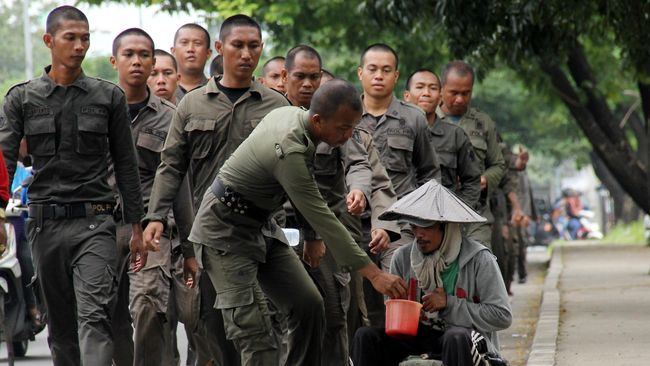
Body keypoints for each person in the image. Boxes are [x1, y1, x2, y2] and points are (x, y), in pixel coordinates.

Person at [188, 79, 408, 365]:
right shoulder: (290, 147)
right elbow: (323, 216)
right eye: (343, 128)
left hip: (260, 226)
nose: (348, 135)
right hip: (223, 232)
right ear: (317, 119)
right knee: (257, 336)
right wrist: (375, 275)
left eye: (353, 126)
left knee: (309, 305)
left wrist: (312, 237)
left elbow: (305, 191)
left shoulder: (293, 115)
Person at [0, 6, 146, 366]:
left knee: (95, 317)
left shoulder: (108, 97)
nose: (79, 46)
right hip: (44, 225)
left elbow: (127, 164)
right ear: (49, 41)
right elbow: (3, 159)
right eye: (71, 38)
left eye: (85, 38)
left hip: (95, 223)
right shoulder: (22, 98)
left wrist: (136, 225)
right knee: (61, 329)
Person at [143, 14, 289, 366]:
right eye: (237, 45)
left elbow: (295, 175)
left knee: (262, 325)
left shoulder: (277, 107)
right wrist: (155, 217)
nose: (245, 54)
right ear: (221, 48)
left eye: (253, 46)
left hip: (262, 233)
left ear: (261, 49)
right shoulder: (192, 105)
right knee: (214, 328)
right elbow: (171, 167)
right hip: (210, 236)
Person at [351, 180, 512, 366]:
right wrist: (404, 311)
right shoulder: (402, 258)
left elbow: (502, 316)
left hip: (466, 338)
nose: (419, 234)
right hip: (418, 337)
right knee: (366, 336)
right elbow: (392, 312)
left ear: (447, 226)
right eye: (414, 227)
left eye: (426, 227)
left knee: (456, 337)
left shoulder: (479, 259)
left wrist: (449, 304)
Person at [110, 28, 193, 366]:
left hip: (150, 229)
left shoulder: (170, 117)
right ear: (114, 61)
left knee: (148, 303)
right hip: (103, 226)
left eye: (145, 55)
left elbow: (179, 185)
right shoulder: (99, 109)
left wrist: (189, 249)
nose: (138, 62)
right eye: (129, 55)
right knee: (106, 313)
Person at [437, 60, 506, 250]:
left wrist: (484, 180)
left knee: (479, 265)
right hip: (437, 213)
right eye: (454, 93)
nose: (460, 99)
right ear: (442, 88)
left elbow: (499, 164)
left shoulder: (483, 123)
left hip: (475, 213)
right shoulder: (426, 119)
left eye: (465, 93)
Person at [403, 68, 481, 209]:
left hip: (440, 221)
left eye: (432, 88)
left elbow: (472, 181)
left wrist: (457, 214)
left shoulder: (456, 135)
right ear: (406, 96)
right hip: (398, 219)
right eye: (420, 87)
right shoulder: (393, 132)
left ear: (440, 98)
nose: (426, 93)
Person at [171, 23, 212, 102]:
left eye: (197, 43)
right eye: (184, 43)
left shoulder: (217, 91)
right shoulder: (160, 91)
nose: (190, 49)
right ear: (173, 51)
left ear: (208, 53)